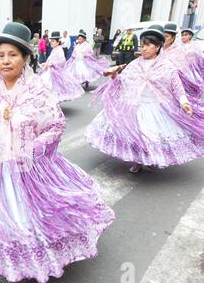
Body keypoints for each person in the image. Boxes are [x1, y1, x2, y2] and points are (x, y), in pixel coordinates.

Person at [0, 22, 115, 283]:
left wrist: (30, 149)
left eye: (13, 55)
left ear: (26, 58)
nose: (5, 61)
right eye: (1, 55)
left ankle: (31, 260)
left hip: (25, 168)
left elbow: (56, 126)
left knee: (24, 221)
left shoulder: (38, 89)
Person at [85, 25, 204, 174]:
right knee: (137, 135)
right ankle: (138, 161)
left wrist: (184, 102)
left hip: (156, 108)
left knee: (152, 138)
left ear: (158, 46)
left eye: (148, 45)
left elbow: (177, 87)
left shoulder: (167, 66)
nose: (144, 49)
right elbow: (123, 82)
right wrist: (115, 75)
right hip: (136, 106)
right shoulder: (134, 64)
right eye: (142, 45)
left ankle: (151, 159)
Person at [39, 32, 85, 102]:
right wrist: (45, 63)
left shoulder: (59, 50)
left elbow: (62, 61)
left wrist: (51, 64)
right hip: (50, 71)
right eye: (51, 41)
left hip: (55, 73)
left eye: (53, 41)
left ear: (57, 43)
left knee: (53, 88)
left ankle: (53, 103)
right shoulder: (54, 49)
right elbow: (51, 60)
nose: (51, 42)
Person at [161, 23, 203, 98]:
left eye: (166, 36)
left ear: (173, 37)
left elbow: (182, 68)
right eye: (163, 36)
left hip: (175, 84)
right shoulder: (159, 48)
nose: (164, 38)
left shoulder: (179, 50)